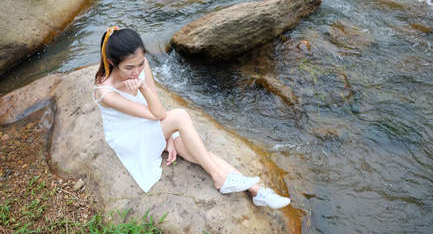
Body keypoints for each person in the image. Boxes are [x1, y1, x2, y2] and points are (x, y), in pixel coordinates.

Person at [93, 26, 290, 209]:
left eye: (141, 63)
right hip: (130, 136)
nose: (137, 71)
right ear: (112, 62)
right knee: (179, 116)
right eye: (129, 68)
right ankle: (220, 178)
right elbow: (159, 113)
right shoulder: (105, 92)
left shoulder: (141, 66)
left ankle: (257, 192)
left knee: (193, 150)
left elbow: (155, 104)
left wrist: (169, 136)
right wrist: (143, 88)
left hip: (150, 123)